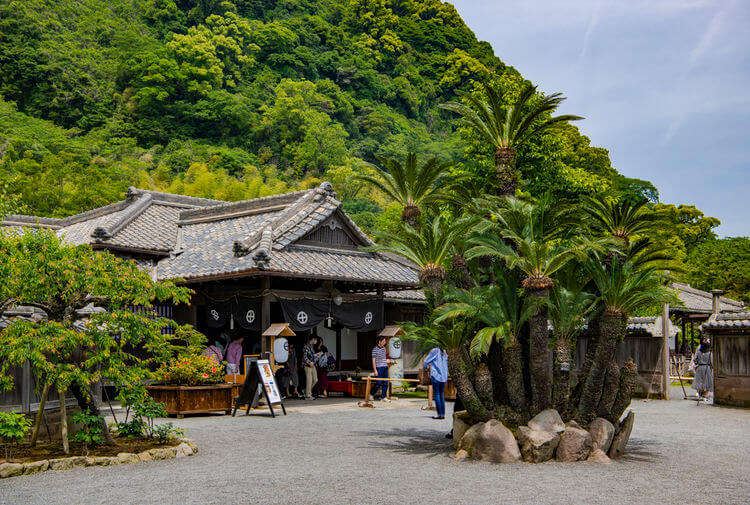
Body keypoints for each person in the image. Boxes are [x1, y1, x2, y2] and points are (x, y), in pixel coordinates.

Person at [423, 347, 448, 419]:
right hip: (443, 376)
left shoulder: (435, 350)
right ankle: (442, 414)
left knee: (436, 394)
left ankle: (439, 414)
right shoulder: (444, 351)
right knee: (441, 394)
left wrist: (426, 367)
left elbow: (426, 361)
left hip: (436, 375)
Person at [372, 336, 390, 402]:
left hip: (385, 367)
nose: (385, 342)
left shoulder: (384, 349)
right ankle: (371, 394)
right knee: (378, 383)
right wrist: (375, 370)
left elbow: (384, 357)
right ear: (379, 342)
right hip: (379, 368)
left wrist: (387, 360)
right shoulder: (375, 350)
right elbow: (373, 360)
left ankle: (383, 397)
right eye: (384, 341)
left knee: (385, 383)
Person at [303, 335, 318, 400]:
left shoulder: (311, 346)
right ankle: (308, 395)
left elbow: (312, 355)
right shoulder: (306, 346)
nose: (315, 341)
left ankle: (306, 391)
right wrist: (309, 362)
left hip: (313, 365)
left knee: (315, 379)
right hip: (307, 365)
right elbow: (304, 356)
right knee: (309, 380)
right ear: (312, 339)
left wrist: (317, 356)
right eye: (315, 339)